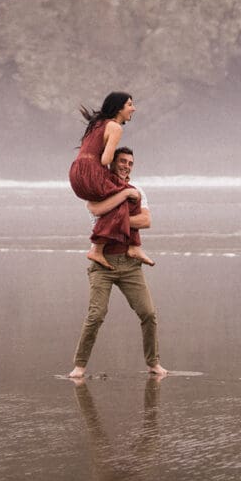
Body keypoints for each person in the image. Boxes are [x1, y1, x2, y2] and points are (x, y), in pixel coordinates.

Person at [69, 146, 168, 379]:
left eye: (130, 163)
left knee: (148, 313)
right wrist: (123, 197)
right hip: (101, 264)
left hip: (129, 263)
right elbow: (95, 208)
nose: (126, 166)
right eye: (122, 161)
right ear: (112, 163)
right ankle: (79, 366)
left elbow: (146, 221)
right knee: (96, 315)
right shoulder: (101, 188)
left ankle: (153, 363)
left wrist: (116, 219)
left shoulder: (138, 189)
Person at [69, 92, 155, 270]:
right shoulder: (115, 127)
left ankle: (119, 247)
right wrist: (118, 186)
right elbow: (106, 160)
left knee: (121, 198)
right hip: (92, 174)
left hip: (76, 174)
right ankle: (127, 247)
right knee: (132, 195)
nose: (134, 108)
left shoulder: (97, 124)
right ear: (119, 108)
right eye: (130, 104)